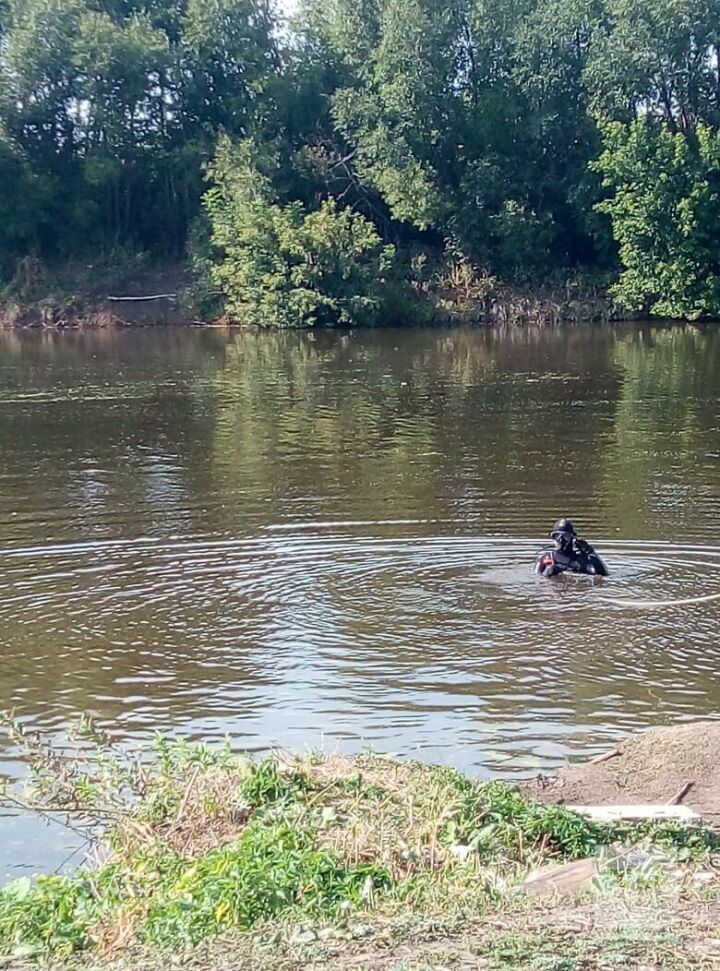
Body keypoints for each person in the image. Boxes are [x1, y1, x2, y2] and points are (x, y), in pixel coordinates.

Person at [534, 519, 608, 577]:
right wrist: (547, 573)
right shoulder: (545, 558)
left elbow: (603, 575)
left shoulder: (580, 560)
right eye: (556, 536)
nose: (561, 540)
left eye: (565, 537)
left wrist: (591, 552)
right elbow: (535, 579)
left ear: (572, 538)